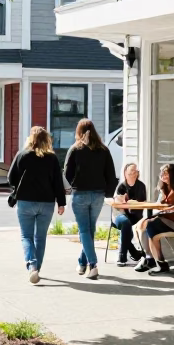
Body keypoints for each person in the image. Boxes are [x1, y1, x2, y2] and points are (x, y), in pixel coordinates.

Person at [8, 127, 67, 283]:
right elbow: (57, 183)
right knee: (40, 237)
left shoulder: (22, 155)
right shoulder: (52, 158)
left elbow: (10, 178)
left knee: (26, 236)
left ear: (30, 139)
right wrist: (61, 203)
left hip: (25, 202)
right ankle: (36, 269)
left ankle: (32, 266)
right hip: (46, 203)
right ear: (46, 139)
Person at [64, 118, 117, 280]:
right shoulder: (104, 150)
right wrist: (108, 193)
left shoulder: (75, 149)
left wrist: (73, 185)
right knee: (90, 229)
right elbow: (111, 175)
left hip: (80, 194)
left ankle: (93, 264)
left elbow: (67, 172)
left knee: (85, 230)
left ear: (78, 132)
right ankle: (82, 262)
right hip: (98, 194)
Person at [134, 164, 174, 275]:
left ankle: (156, 262)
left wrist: (162, 195)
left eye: (166, 173)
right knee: (141, 225)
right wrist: (162, 190)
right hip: (167, 218)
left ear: (173, 174)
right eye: (162, 173)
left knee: (148, 225)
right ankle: (151, 258)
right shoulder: (166, 187)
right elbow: (161, 204)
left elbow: (166, 204)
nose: (163, 175)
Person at [113, 163, 148, 266]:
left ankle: (131, 254)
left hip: (136, 216)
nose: (132, 174)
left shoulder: (141, 186)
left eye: (135, 171)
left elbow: (142, 202)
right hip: (120, 214)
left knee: (128, 226)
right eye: (130, 172)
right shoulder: (121, 186)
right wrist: (122, 201)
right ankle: (124, 255)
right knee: (125, 223)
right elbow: (117, 203)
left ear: (137, 173)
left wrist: (132, 203)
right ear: (125, 173)